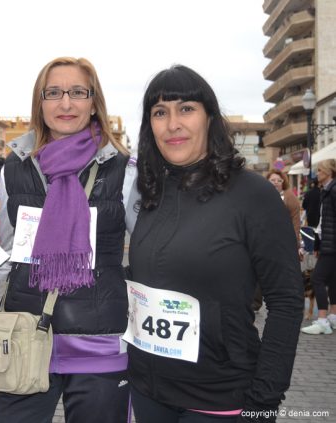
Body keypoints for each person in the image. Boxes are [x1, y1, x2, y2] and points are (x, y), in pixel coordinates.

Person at [128, 65, 303, 422]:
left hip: (221, 400)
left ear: (210, 118)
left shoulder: (252, 194)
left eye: (186, 109)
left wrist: (264, 398)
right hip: (149, 392)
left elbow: (286, 300)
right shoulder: (151, 194)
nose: (172, 124)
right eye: (160, 112)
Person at [0, 57, 137, 423]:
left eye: (77, 92)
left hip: (99, 343)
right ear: (40, 103)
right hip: (26, 337)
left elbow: (148, 251)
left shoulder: (124, 169)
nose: (66, 103)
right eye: (53, 93)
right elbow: (10, 254)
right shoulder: (14, 168)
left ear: (93, 102)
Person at [252, 169, 303, 311]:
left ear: (283, 183)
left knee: (281, 273)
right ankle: (255, 303)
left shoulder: (289, 198)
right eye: (272, 180)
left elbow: (295, 222)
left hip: (282, 242)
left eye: (279, 181)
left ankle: (283, 304)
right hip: (262, 240)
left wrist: (296, 244)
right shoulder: (259, 196)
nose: (276, 183)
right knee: (258, 271)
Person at [301, 159, 336, 335]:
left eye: (321, 170)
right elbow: (323, 222)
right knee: (332, 280)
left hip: (332, 245)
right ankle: (332, 316)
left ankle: (322, 320)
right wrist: (318, 243)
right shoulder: (327, 190)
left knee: (317, 279)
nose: (317, 173)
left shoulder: (333, 190)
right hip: (327, 243)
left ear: (330, 172)